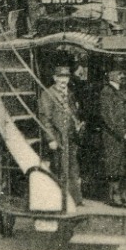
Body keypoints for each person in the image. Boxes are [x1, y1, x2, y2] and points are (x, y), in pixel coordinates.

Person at [38, 65, 83, 206]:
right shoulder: (48, 94)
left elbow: (73, 113)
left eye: (66, 77)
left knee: (72, 168)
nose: (64, 80)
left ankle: (74, 200)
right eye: (61, 77)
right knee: (59, 169)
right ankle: (59, 201)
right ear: (55, 78)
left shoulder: (69, 93)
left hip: (70, 137)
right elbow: (45, 119)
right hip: (58, 137)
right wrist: (51, 139)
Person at [97, 67, 126, 206]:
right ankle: (113, 196)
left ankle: (121, 194)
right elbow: (109, 117)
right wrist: (122, 132)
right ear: (111, 76)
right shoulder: (107, 92)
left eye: (122, 73)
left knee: (122, 164)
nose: (122, 76)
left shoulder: (119, 91)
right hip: (112, 136)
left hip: (123, 134)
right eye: (119, 73)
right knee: (113, 165)